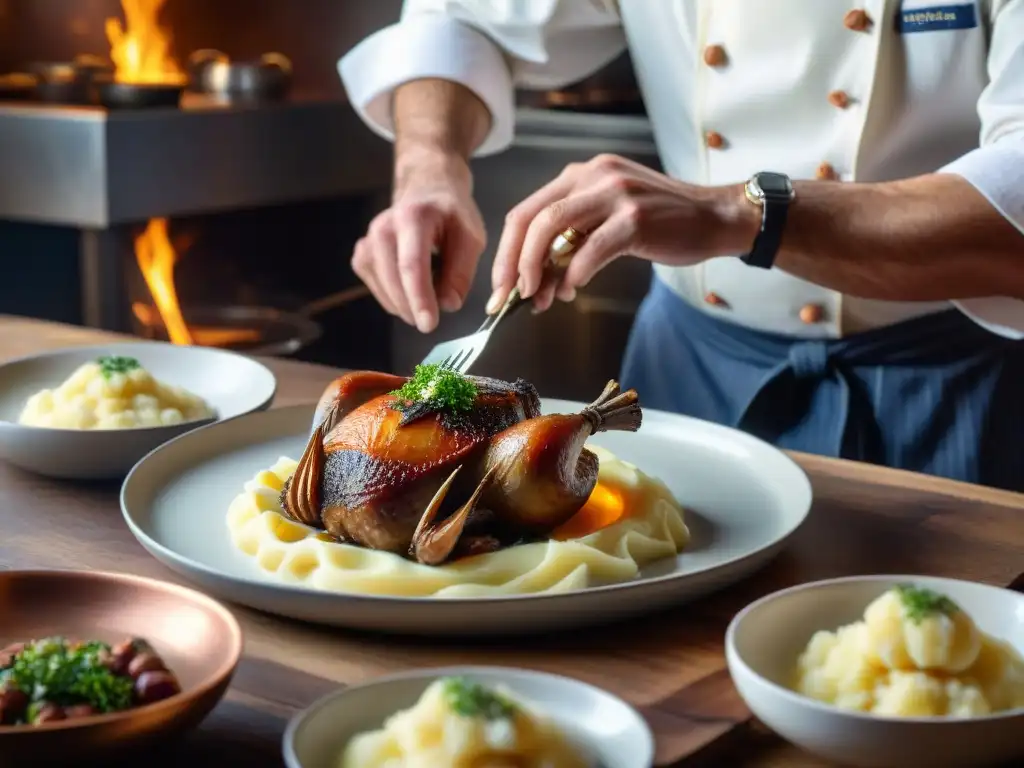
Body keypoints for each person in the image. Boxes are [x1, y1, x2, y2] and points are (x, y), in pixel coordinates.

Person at [337, 1, 1024, 491]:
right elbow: (463, 18)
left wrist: (732, 212)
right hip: (685, 372)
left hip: (949, 383)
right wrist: (429, 168)